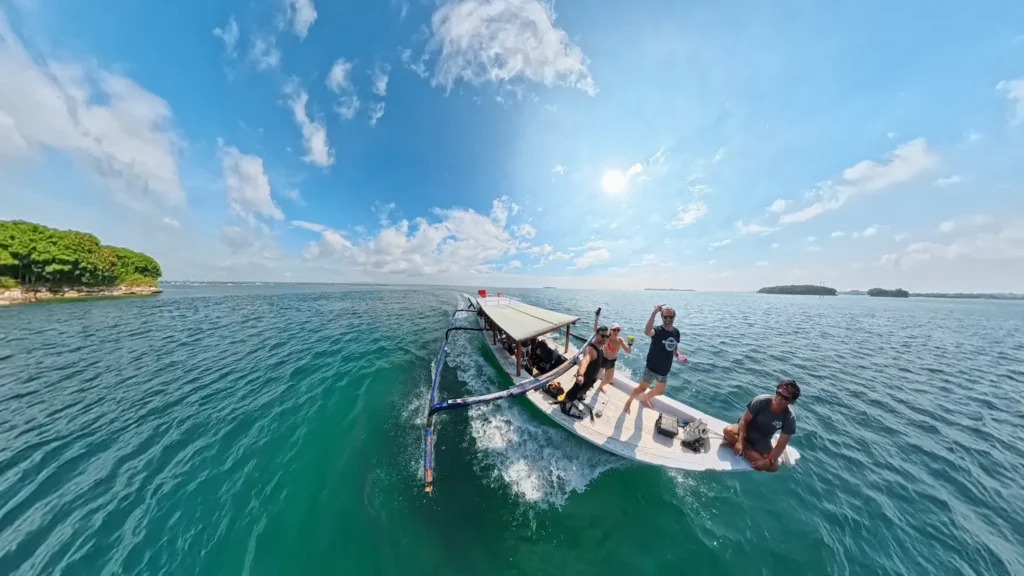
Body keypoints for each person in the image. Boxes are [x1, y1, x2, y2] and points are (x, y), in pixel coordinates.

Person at [721, 380, 800, 472]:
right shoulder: (761, 401)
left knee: (774, 467)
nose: (779, 398)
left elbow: (780, 446)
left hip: (763, 439)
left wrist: (767, 462)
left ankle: (736, 446)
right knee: (727, 431)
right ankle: (742, 447)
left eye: (785, 398)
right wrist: (739, 442)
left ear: (792, 402)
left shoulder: (789, 418)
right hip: (747, 430)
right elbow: (744, 421)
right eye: (778, 393)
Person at [624, 305, 685, 414]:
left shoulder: (676, 333)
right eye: (665, 317)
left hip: (664, 370)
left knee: (659, 391)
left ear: (674, 317)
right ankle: (628, 402)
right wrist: (653, 313)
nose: (668, 319)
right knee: (641, 388)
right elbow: (647, 332)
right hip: (651, 368)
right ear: (662, 317)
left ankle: (644, 398)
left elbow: (675, 350)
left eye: (671, 317)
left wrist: (679, 356)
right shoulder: (657, 331)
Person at [559, 326, 609, 418]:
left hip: (591, 379)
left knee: (583, 391)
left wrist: (596, 378)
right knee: (574, 391)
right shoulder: (590, 349)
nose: (605, 338)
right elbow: (584, 362)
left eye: (607, 336)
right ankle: (564, 403)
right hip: (583, 379)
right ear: (597, 335)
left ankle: (579, 395)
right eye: (603, 336)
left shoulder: (601, 347)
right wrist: (580, 375)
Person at [596, 323, 632, 393]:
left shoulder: (620, 340)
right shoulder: (606, 338)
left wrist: (630, 344)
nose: (616, 332)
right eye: (614, 330)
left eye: (618, 330)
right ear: (610, 330)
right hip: (603, 360)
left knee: (608, 379)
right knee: (595, 377)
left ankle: (600, 386)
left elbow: (628, 351)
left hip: (611, 362)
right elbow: (597, 336)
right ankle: (586, 387)